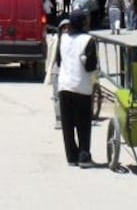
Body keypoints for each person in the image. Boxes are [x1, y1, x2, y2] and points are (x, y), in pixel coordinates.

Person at [56, 9, 98, 167]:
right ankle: (84, 156)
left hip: (64, 85)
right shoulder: (89, 40)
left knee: (67, 124)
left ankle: (71, 157)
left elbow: (59, 62)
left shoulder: (63, 38)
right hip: (82, 86)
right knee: (83, 123)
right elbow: (90, 66)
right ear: (84, 22)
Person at [44, 17, 73, 130]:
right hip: (57, 71)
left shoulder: (74, 41)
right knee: (57, 97)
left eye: (68, 28)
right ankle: (59, 119)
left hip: (69, 72)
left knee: (68, 96)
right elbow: (50, 57)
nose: (66, 30)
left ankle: (69, 118)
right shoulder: (55, 40)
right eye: (63, 28)